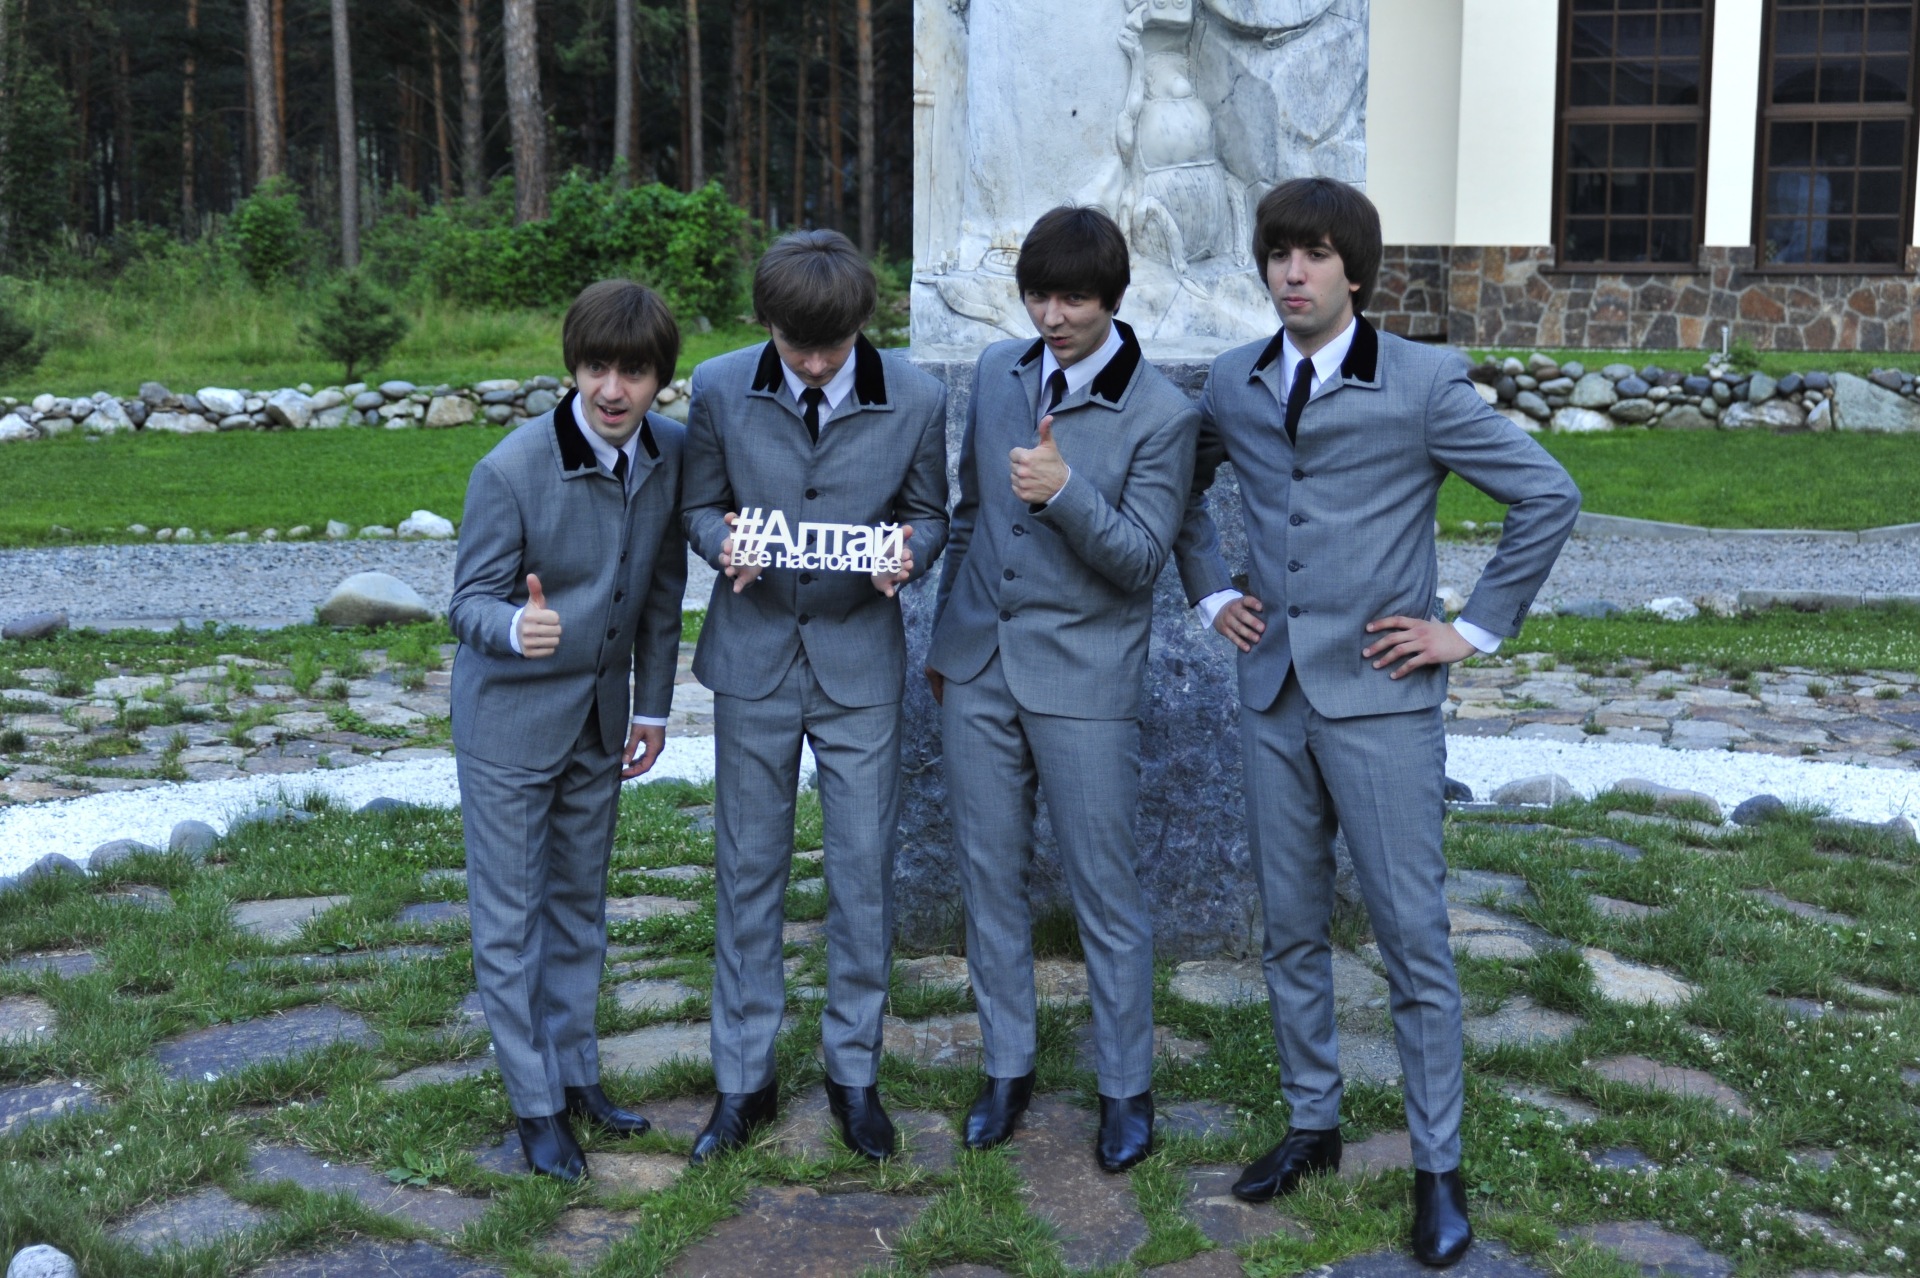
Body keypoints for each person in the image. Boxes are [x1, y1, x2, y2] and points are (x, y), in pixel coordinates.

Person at [1174, 177, 1580, 1265]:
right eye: (1278, 255)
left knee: (1410, 938)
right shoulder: (1235, 379)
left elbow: (1548, 495)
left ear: (1354, 272)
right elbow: (1181, 485)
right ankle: (1313, 1124)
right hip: (1272, 696)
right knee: (1289, 925)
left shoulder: (1424, 384)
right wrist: (1209, 591)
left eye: (1314, 255)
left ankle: (1438, 1167)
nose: (1292, 274)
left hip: (1384, 703)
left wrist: (1470, 631)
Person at [927, 205, 1199, 1172]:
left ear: (1112, 298)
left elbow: (1141, 562)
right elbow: (969, 517)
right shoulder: (999, 371)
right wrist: (947, 643)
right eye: (1038, 296)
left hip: (1085, 679)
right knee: (988, 876)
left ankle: (1126, 1088)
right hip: (977, 669)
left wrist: (1066, 490)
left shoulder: (1163, 414)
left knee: (1104, 891)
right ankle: (1007, 1067)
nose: (1052, 316)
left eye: (1073, 299)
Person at [682, 229, 950, 1163]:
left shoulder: (919, 396)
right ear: (767, 323)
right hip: (752, 654)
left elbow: (930, 515)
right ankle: (742, 1082)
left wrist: (909, 555)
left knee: (862, 872)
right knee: (747, 867)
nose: (816, 364)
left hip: (859, 659)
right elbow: (697, 504)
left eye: (833, 348)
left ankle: (854, 1076)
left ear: (863, 324)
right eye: (798, 347)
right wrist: (719, 543)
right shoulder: (718, 386)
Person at [448, 279, 689, 1181]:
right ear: (573, 368)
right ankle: (535, 1104)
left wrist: (652, 707)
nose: (612, 390)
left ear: (661, 378)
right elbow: (466, 602)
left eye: (633, 372)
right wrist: (516, 627)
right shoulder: (509, 469)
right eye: (595, 368)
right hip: (509, 725)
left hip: (600, 723)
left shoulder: (671, 452)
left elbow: (662, 593)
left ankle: (577, 1076)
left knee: (580, 909)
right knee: (511, 921)